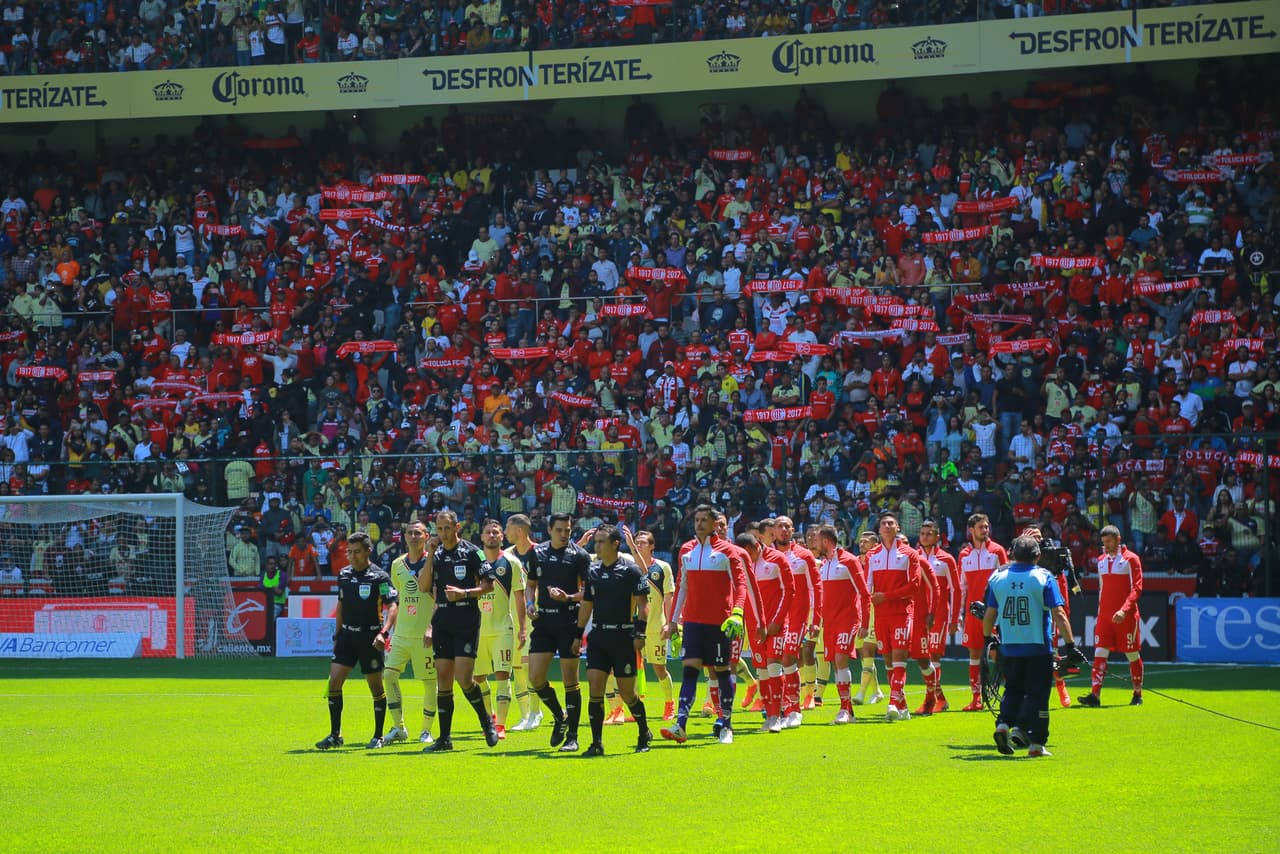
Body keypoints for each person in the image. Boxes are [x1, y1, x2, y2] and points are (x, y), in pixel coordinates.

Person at [983, 535, 1086, 758]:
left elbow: (990, 614)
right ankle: (1037, 744)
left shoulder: (997, 578)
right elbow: (1059, 613)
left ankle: (1003, 725)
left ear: (1012, 554)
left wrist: (988, 639)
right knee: (1038, 696)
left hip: (1009, 646)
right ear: (1037, 556)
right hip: (1038, 647)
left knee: (1012, 690)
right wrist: (1070, 645)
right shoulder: (1044, 577)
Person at [661, 504, 748, 744]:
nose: (699, 523)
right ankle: (680, 724)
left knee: (722, 673)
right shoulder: (687, 550)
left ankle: (727, 725)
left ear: (714, 524)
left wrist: (737, 612)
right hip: (693, 624)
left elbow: (740, 585)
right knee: (689, 671)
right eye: (696, 519)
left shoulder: (728, 552)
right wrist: (672, 622)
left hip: (719, 624)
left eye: (703, 520)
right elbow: (681, 586)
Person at [423, 509, 500, 752]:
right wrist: (430, 553)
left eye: (447, 528)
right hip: (442, 620)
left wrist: (464, 593)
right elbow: (424, 585)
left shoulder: (472, 552)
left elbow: (489, 585)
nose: (443, 533)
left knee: (464, 678)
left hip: (466, 619)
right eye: (439, 529)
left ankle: (486, 721)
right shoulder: (435, 554)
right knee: (443, 678)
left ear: (457, 527)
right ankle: (444, 739)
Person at [315, 532, 397, 750]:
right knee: (334, 682)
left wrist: (384, 633)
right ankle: (335, 735)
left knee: (375, 687)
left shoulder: (379, 577)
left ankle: (378, 735)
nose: (351, 556)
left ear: (368, 551)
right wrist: (337, 634)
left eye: (356, 552)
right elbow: (341, 605)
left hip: (370, 638)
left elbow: (392, 606)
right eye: (349, 552)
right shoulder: (343, 574)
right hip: (347, 637)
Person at [576, 525, 653, 755]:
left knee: (627, 693)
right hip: (598, 637)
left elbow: (643, 604)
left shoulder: (630, 571)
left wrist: (640, 633)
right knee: (595, 690)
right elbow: (587, 605)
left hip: (623, 637)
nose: (596, 546)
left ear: (615, 543)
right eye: (596, 542)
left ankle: (644, 732)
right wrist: (577, 634)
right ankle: (597, 743)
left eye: (601, 542)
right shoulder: (593, 572)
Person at [523, 511, 591, 752]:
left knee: (570, 680)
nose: (564, 534)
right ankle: (560, 715)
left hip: (569, 623)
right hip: (543, 623)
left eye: (568, 530)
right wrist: (530, 604)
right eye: (560, 530)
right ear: (550, 530)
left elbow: (590, 593)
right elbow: (530, 585)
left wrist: (569, 597)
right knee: (535, 678)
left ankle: (573, 736)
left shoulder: (580, 556)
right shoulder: (536, 553)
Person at [862, 512, 925, 722]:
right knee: (888, 659)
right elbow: (866, 587)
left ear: (897, 527)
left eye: (891, 523)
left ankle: (892, 701)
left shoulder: (910, 554)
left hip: (901, 613)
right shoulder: (872, 556)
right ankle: (903, 706)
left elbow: (914, 586)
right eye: (884, 523)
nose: (887, 526)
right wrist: (866, 608)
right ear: (879, 529)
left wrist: (886, 596)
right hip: (880, 616)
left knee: (899, 658)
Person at [383, 520, 438, 746]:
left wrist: (431, 627)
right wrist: (390, 630)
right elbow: (398, 598)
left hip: (424, 636)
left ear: (426, 536)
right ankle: (399, 727)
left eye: (418, 532)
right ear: (404, 537)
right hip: (402, 634)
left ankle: (426, 731)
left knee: (429, 683)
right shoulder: (397, 564)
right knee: (388, 676)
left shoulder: (434, 562)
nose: (413, 536)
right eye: (409, 533)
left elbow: (439, 599)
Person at [1079, 525, 1145, 707]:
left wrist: (1124, 609)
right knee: (1100, 651)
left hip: (1127, 616)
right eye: (1103, 542)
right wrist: (1101, 613)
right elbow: (1102, 589)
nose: (1106, 545)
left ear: (1118, 539)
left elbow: (1137, 588)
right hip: (1105, 616)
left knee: (1132, 654)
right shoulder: (1100, 560)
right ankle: (1095, 695)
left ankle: (1137, 693)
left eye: (1109, 542)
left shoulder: (1131, 559)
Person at [739, 526, 794, 733]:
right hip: (755, 628)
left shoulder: (777, 559)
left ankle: (776, 715)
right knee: (761, 672)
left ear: (754, 546)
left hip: (775, 625)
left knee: (773, 667)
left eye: (747, 553)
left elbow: (790, 590)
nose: (745, 558)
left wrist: (778, 620)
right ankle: (769, 715)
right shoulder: (742, 565)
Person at [475, 518, 527, 739]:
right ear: (482, 537)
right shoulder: (473, 561)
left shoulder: (512, 563)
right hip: (477, 630)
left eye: (496, 532)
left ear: (502, 537)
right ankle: (490, 716)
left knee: (503, 675)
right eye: (488, 532)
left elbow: (520, 598)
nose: (492, 535)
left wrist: (522, 628)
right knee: (477, 678)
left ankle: (501, 726)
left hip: (502, 628)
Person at [814, 525, 870, 724]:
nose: (815, 543)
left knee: (840, 660)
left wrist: (864, 622)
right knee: (837, 665)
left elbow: (864, 594)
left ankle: (844, 709)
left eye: (817, 539)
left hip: (847, 620)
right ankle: (849, 711)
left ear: (826, 541)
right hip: (829, 623)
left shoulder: (850, 561)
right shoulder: (823, 565)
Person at [772, 515, 822, 728]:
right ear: (773, 531)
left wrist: (815, 617)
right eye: (780, 526)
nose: (784, 530)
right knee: (774, 662)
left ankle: (794, 709)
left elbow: (815, 587)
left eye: (788, 526)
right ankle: (780, 709)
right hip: (774, 619)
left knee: (788, 659)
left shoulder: (804, 556)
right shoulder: (768, 556)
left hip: (798, 617)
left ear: (793, 530)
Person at [624, 527, 677, 721]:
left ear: (652, 546)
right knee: (634, 668)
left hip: (656, 627)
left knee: (659, 669)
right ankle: (637, 707)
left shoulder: (662, 567)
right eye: (636, 542)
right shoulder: (630, 567)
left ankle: (670, 704)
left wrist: (669, 623)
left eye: (642, 542)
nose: (638, 545)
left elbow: (669, 598)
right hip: (636, 629)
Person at [958, 513, 1009, 711]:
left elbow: (1005, 581)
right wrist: (960, 613)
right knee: (974, 653)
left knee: (997, 653)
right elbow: (962, 587)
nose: (985, 530)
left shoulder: (997, 551)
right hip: (972, 613)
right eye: (981, 527)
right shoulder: (964, 555)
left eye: (987, 527)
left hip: (993, 612)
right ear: (971, 530)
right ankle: (976, 698)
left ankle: (1008, 694)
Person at [916, 520, 959, 713]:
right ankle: (939, 698)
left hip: (939, 614)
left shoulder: (947, 559)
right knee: (922, 656)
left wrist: (955, 618)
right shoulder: (913, 557)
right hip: (919, 614)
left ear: (937, 537)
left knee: (933, 654)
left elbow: (956, 590)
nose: (925, 536)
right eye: (922, 533)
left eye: (929, 533)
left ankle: (931, 700)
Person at [504, 514, 542, 731]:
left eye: (508, 528)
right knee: (517, 669)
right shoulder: (507, 556)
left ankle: (536, 712)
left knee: (531, 668)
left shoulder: (539, 553)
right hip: (512, 620)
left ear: (519, 531)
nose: (505, 533)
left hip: (534, 620)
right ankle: (525, 714)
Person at [852, 530, 884, 706]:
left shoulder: (877, 561)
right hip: (857, 612)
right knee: (863, 653)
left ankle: (861, 692)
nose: (862, 543)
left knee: (867, 650)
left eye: (866, 541)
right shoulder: (855, 562)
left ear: (875, 544)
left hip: (873, 611)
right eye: (861, 540)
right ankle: (877, 691)